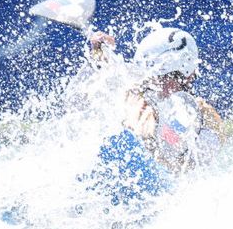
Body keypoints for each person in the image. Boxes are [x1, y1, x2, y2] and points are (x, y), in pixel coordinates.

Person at [84, 27, 225, 206]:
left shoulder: (204, 118)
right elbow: (104, 85)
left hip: (167, 200)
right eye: (152, 78)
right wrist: (99, 53)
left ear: (187, 75)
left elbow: (182, 167)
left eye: (166, 77)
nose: (156, 85)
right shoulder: (140, 94)